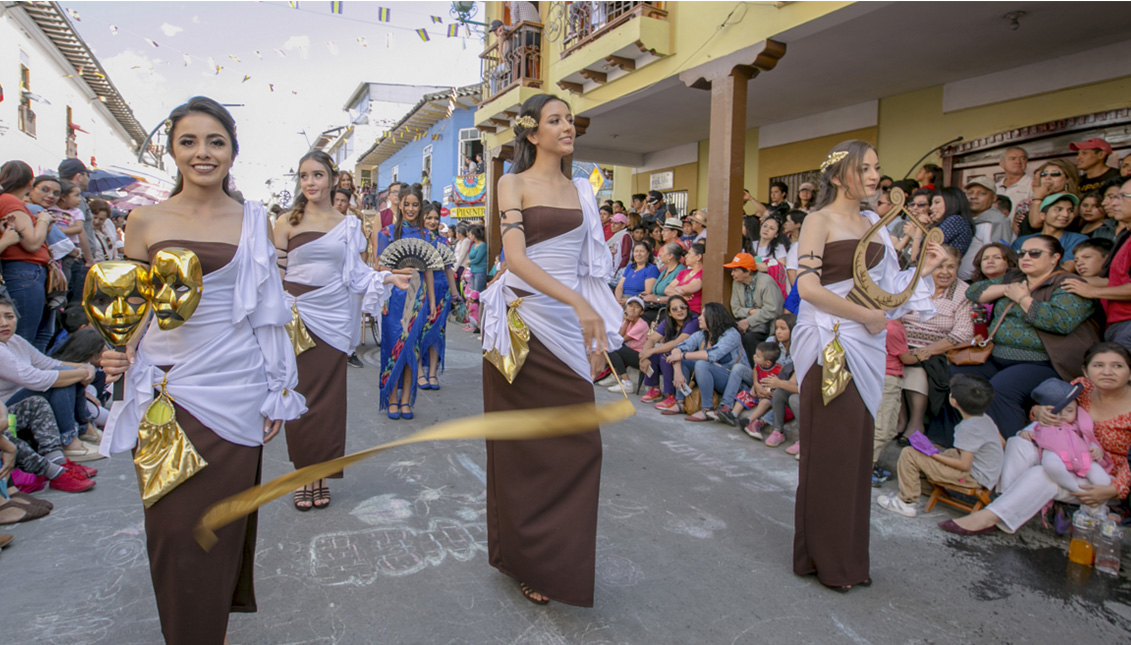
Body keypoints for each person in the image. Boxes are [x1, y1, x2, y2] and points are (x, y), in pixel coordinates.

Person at [98, 97, 307, 644]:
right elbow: (135, 306)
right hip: (167, 392)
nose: (203, 153)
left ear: (233, 151)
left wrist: (277, 390)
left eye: (215, 141)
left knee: (219, 530)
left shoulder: (254, 219)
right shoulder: (144, 221)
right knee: (170, 531)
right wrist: (119, 349)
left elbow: (268, 312)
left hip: (235, 393)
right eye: (189, 141)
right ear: (172, 150)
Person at [480, 93, 623, 607]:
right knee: (523, 452)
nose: (568, 127)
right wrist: (577, 305)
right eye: (555, 120)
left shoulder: (584, 190)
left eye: (571, 119)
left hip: (567, 326)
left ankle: (554, 558)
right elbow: (514, 259)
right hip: (522, 326)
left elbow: (592, 269)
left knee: (579, 446)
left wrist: (597, 323)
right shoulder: (511, 182)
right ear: (531, 132)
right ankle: (525, 559)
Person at [792, 140, 945, 592]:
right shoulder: (816, 220)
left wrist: (926, 266)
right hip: (830, 345)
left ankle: (847, 558)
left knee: (855, 454)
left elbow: (887, 292)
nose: (875, 175)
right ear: (839, 175)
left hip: (866, 345)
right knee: (831, 453)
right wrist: (863, 317)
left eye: (878, 167)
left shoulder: (876, 226)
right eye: (865, 168)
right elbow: (807, 287)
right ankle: (825, 559)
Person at [274, 150, 403, 510]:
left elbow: (357, 275)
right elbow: (274, 278)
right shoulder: (286, 221)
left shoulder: (348, 225)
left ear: (332, 179)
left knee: (328, 402)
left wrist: (385, 276)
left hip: (332, 319)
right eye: (303, 176)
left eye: (317, 175)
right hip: (296, 318)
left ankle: (323, 474)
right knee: (297, 397)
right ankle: (303, 476)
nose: (310, 183)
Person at [942, 343, 1131, 536]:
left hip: (1101, 478)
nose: (1107, 372)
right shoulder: (1081, 387)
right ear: (1086, 370)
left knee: (1044, 474)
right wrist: (1038, 411)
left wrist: (1113, 490)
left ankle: (987, 518)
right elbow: (1047, 415)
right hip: (1065, 454)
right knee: (1019, 442)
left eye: (1117, 366)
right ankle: (1005, 502)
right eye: (1099, 365)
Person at [956, 235, 1099, 438]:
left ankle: (1013, 445)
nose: (1026, 257)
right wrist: (1008, 289)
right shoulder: (1014, 277)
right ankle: (958, 440)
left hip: (1043, 362)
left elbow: (1060, 321)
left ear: (1055, 257)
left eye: (1035, 253)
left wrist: (1022, 298)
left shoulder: (1067, 283)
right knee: (957, 376)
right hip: (996, 355)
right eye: (1022, 253)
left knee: (1000, 389)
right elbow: (974, 291)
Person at [877, 374, 1003, 518]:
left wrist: (933, 454)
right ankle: (924, 487)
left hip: (972, 477)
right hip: (988, 473)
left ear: (953, 401)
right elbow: (1001, 443)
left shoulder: (967, 428)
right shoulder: (985, 419)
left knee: (909, 453)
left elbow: (964, 465)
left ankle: (906, 502)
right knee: (948, 453)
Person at [0, 297, 100, 463]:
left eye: (9, 317)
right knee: (60, 379)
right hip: (7, 410)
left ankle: (82, 430)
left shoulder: (15, 341)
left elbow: (48, 363)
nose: (4, 323)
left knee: (65, 373)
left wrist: (83, 367)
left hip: (25, 398)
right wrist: (81, 373)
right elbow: (35, 379)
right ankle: (69, 440)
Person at [899, 245, 974, 446]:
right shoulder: (915, 284)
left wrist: (926, 351)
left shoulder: (963, 292)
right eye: (939, 266)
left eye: (951, 267)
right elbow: (893, 312)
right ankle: (900, 417)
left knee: (918, 366)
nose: (945, 272)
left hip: (937, 350)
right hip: (901, 344)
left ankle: (916, 422)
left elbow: (964, 332)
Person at [375, 185, 434, 420]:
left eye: (415, 204)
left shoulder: (426, 235)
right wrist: (401, 269)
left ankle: (407, 398)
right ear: (399, 204)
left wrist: (431, 302)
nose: (410, 209)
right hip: (393, 298)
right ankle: (391, 397)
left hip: (417, 300)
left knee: (413, 349)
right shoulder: (387, 234)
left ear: (420, 207)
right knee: (392, 347)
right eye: (406, 204)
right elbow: (379, 267)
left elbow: (429, 270)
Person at [1022, 378, 1113, 515]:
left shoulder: (1078, 424)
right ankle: (1077, 490)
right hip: (1055, 453)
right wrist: (1025, 432)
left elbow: (1088, 437)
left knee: (1103, 479)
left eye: (1069, 410)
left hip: (1082, 456)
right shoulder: (1045, 424)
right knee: (1051, 465)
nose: (1064, 415)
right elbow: (1030, 429)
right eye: (1057, 411)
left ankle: (1099, 509)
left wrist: (1096, 449)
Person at [0, 161, 54, 351]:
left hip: (25, 272)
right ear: (30, 183)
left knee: (34, 337)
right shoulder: (10, 201)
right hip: (23, 271)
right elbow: (32, 243)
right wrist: (43, 220)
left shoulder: (9, 201)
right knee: (22, 339)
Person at [667, 302, 748, 421]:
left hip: (734, 380)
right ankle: (680, 403)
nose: (699, 317)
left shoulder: (731, 334)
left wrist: (682, 355)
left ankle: (707, 409)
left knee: (701, 363)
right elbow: (677, 349)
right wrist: (678, 372)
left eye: (703, 315)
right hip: (713, 377)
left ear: (713, 317)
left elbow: (711, 355)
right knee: (683, 362)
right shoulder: (702, 334)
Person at [419, 205, 459, 390]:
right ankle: (418, 371)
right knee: (417, 332)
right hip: (421, 291)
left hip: (441, 289)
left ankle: (433, 373)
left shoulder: (444, 242)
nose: (433, 222)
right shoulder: (417, 239)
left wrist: (455, 294)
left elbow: (448, 269)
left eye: (436, 218)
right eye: (429, 218)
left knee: (437, 332)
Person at [870, 319, 913, 486]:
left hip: (890, 379)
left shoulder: (894, 325)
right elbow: (907, 358)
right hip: (887, 379)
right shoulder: (892, 328)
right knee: (881, 430)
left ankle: (870, 465)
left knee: (889, 429)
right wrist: (923, 354)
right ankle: (865, 469)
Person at [639, 295, 697, 409]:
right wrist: (644, 357)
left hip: (690, 357)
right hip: (675, 354)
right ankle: (655, 389)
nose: (679, 310)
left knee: (665, 356)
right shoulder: (668, 321)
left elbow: (678, 342)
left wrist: (649, 352)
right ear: (669, 313)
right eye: (675, 309)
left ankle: (671, 395)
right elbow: (652, 339)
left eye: (683, 307)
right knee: (655, 354)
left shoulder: (693, 321)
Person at [725, 252, 784, 362]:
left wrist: (748, 321)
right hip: (745, 322)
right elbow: (735, 309)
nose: (732, 274)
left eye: (735, 270)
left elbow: (772, 310)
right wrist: (751, 312)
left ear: (747, 271)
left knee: (750, 337)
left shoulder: (766, 282)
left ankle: (755, 370)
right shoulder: (737, 283)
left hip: (767, 325)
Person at [1012, 192, 1087, 273]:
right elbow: (1013, 270)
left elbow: (1067, 269)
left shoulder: (1078, 240)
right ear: (1042, 215)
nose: (1066, 214)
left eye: (1070, 210)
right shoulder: (1022, 241)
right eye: (1059, 209)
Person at [1014, 159, 1079, 238]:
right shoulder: (1044, 197)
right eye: (1044, 174)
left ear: (1067, 179)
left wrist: (1038, 198)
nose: (1048, 177)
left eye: (1055, 174)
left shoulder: (1069, 199)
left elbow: (1035, 223)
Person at [601, 297, 649, 391]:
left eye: (637, 307)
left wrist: (626, 322)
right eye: (630, 306)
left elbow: (620, 341)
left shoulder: (641, 325)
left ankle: (627, 382)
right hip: (629, 351)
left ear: (641, 312)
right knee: (612, 347)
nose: (633, 309)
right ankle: (615, 375)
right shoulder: (628, 321)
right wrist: (626, 322)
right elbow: (619, 336)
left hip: (640, 357)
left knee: (613, 347)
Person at [964, 176, 1012, 245]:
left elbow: (999, 252)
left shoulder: (997, 222)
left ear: (994, 198)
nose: (973, 196)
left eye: (981, 193)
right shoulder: (961, 218)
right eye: (970, 193)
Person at [614, 241, 659, 306]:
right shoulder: (630, 267)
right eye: (636, 251)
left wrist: (628, 301)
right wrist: (618, 301)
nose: (638, 254)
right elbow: (619, 287)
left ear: (648, 254)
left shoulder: (652, 269)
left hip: (637, 302)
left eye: (642, 251)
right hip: (622, 300)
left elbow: (648, 292)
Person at [995, 147, 1032, 220]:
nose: (1018, 162)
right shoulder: (995, 187)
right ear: (1002, 164)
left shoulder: (1033, 185)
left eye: (1023, 158)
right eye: (1013, 158)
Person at [666, 242, 703, 314]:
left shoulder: (702, 273)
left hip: (692, 312)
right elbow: (667, 289)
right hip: (676, 310)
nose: (686, 256)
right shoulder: (683, 272)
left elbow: (683, 290)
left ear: (698, 257)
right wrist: (681, 296)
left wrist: (676, 290)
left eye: (689, 253)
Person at [467, 224, 488, 292]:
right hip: (473, 270)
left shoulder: (483, 246)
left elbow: (477, 260)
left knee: (477, 291)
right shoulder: (473, 245)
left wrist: (469, 262)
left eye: (470, 234)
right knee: (472, 291)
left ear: (474, 235)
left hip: (480, 271)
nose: (469, 236)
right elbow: (470, 256)